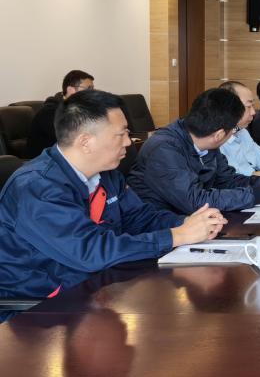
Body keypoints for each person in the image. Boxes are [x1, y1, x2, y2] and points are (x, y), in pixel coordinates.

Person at [0, 90, 226, 300]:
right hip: (40, 307)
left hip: (97, 287)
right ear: (86, 142)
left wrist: (189, 223)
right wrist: (176, 236)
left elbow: (140, 218)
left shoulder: (106, 174)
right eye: (121, 134)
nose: (128, 142)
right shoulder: (37, 187)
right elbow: (88, 252)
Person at [129, 88, 260, 214]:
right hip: (162, 228)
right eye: (233, 130)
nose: (234, 133)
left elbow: (227, 180)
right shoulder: (164, 149)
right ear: (219, 135)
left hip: (194, 221)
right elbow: (195, 201)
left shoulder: (207, 140)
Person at [25, 70, 95, 158]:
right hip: (44, 163)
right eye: (88, 89)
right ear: (71, 90)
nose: (92, 93)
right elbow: (70, 140)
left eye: (92, 89)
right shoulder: (49, 112)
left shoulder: (78, 110)